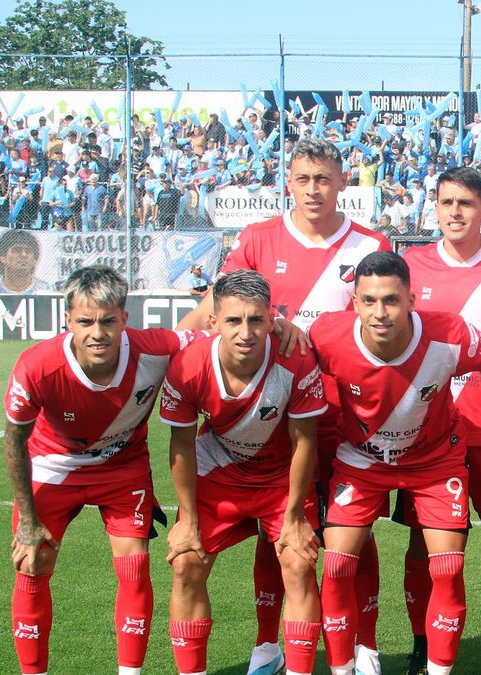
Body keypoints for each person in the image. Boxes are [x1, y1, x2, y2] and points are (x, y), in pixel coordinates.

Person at [177, 137, 391, 675]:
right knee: (275, 534)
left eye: (324, 178)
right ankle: (268, 646)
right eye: (303, 179)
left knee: (349, 539)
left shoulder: (369, 243)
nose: (314, 189)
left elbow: (379, 327)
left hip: (343, 418)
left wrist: (309, 332)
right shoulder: (257, 238)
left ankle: (364, 644)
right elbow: (216, 306)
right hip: (270, 420)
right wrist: (165, 351)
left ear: (344, 182)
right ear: (288, 183)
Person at [2, 266, 203, 675]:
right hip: (53, 466)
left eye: (108, 320)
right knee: (32, 562)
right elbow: (14, 442)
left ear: (125, 319)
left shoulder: (156, 347)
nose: (98, 333)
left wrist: (278, 323)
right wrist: (26, 518)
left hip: (122, 468)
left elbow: (219, 331)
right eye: (85, 321)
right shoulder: (37, 366)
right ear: (67, 320)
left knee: (134, 566)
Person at [307, 251, 481, 675]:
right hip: (360, 462)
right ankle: (342, 669)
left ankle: (438, 670)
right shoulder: (326, 336)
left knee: (447, 567)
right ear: (354, 302)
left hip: (435, 462)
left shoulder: (451, 334)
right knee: (335, 566)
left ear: (411, 299)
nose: (380, 312)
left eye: (391, 300)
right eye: (368, 301)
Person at [160, 270, 326, 675]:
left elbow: (305, 442)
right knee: (186, 563)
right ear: (213, 323)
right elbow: (180, 445)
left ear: (272, 319)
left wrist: (293, 519)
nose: (246, 332)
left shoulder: (296, 359)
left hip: (280, 478)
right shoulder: (188, 365)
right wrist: (188, 521)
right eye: (233, 320)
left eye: (256, 319)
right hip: (220, 471)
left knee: (299, 563)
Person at [398, 167, 481, 672]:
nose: (455, 212)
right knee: (423, 543)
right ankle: (420, 645)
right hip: (425, 431)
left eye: (466, 203)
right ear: (434, 207)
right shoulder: (411, 263)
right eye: (446, 202)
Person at [0, 228, 42, 294]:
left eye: (28, 251)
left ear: (35, 260)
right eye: (16, 250)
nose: (24, 255)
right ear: (3, 257)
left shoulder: (44, 289)